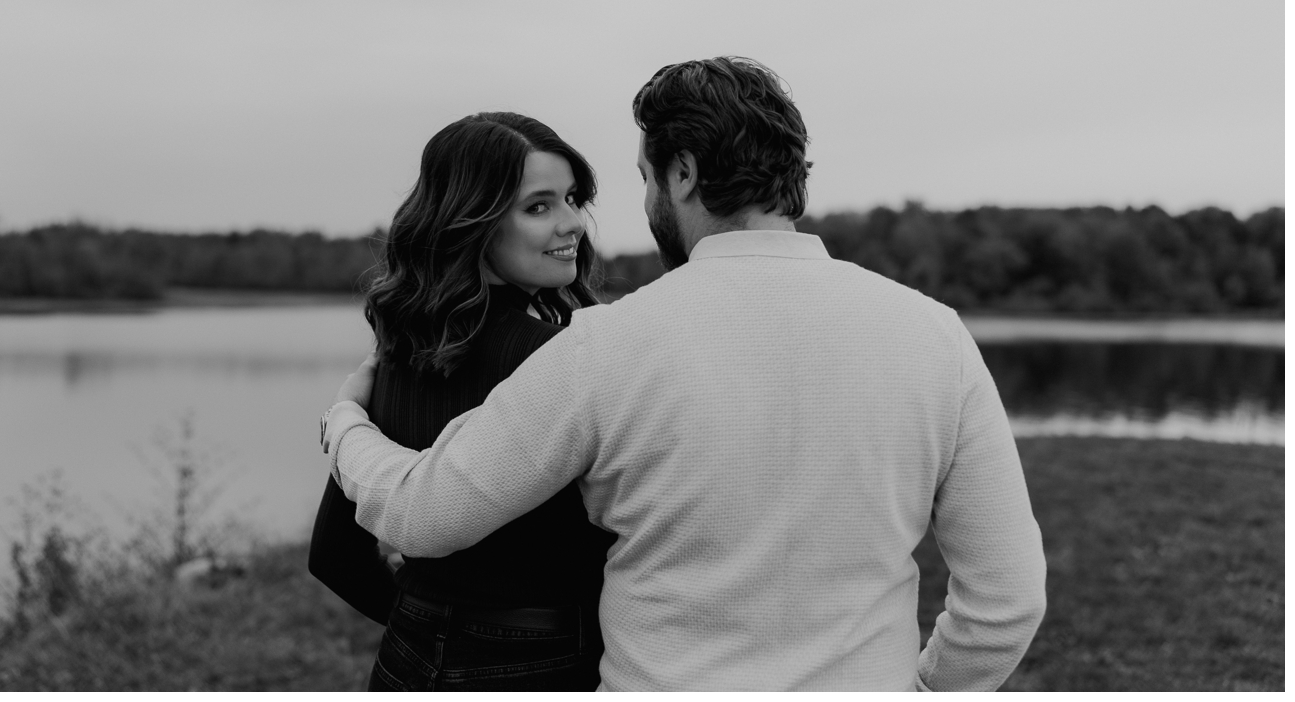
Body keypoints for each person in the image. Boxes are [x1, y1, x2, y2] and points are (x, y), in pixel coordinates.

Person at [320, 57, 1048, 691]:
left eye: (644, 177)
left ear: (684, 171)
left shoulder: (605, 344)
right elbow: (1007, 601)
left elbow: (426, 514)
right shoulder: (934, 335)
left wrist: (347, 425)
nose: (639, 204)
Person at [308, 112, 616, 690]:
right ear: (470, 224)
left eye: (573, 199)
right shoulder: (563, 359)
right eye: (539, 206)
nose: (573, 223)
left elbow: (334, 556)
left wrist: (433, 620)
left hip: (406, 658)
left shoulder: (392, 362)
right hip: (544, 663)